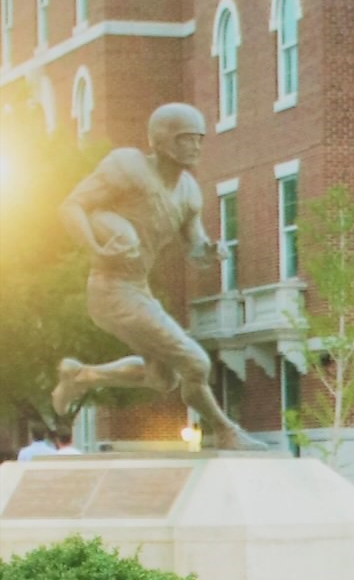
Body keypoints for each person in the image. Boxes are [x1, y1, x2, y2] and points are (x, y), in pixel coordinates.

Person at [51, 103, 260, 449]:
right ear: (161, 142)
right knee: (196, 363)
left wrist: (208, 251)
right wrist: (94, 248)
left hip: (137, 289)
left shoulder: (189, 191)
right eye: (185, 139)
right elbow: (71, 206)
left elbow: (194, 247)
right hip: (110, 290)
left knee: (162, 378)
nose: (195, 147)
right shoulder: (127, 167)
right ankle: (227, 431)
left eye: (198, 139)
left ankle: (80, 375)